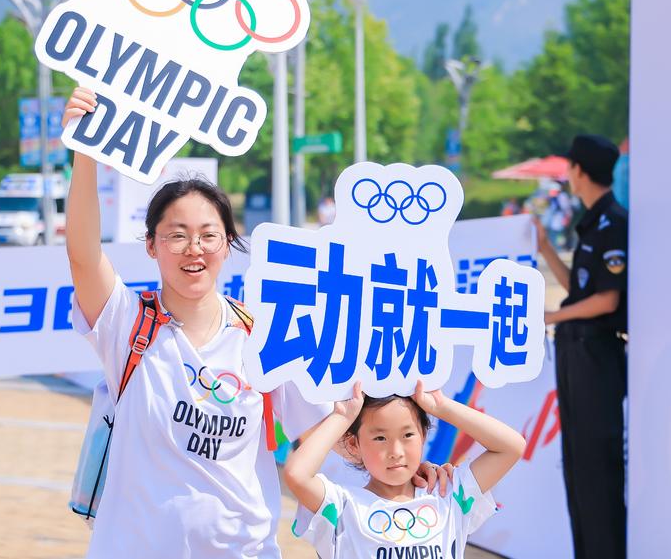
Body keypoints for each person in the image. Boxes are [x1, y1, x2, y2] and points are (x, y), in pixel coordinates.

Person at [61, 88, 450, 558]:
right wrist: (83, 152)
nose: (194, 249)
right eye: (177, 236)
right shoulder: (128, 324)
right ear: (151, 245)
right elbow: (83, 257)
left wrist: (404, 463)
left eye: (209, 235)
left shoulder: (263, 337)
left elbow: (331, 425)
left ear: (228, 244)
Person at [283, 380, 525, 558]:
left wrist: (442, 406)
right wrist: (343, 417)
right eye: (380, 438)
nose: (395, 451)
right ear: (354, 444)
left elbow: (511, 447)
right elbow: (297, 474)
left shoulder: (448, 495)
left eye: (408, 434)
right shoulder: (343, 506)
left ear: (423, 435)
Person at [534, 134, 627, 559]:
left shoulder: (614, 223)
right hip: (576, 354)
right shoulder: (592, 223)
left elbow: (607, 300)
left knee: (596, 467)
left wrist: (550, 317)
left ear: (578, 171)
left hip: (596, 357)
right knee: (576, 464)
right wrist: (546, 250)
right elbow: (579, 290)